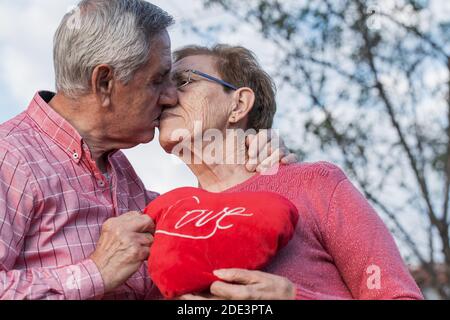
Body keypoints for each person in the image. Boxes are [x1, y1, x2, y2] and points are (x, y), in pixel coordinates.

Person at [0, 0, 294, 300]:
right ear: (104, 83)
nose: (169, 97)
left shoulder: (125, 178)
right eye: (157, 80)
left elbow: (205, 226)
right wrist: (96, 272)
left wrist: (252, 156)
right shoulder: (10, 157)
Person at [156, 44, 424, 300]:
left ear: (238, 104)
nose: (165, 96)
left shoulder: (317, 185)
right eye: (161, 84)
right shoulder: (161, 217)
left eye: (184, 81)